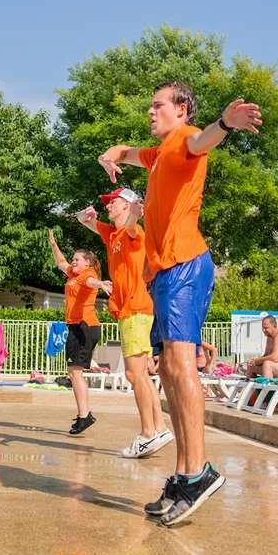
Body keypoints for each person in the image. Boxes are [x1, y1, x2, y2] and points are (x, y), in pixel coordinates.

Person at [98, 81, 262, 526]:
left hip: (188, 265)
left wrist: (227, 122)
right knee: (168, 368)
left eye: (158, 105)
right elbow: (127, 151)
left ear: (182, 108)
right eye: (149, 104)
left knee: (181, 364)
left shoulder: (185, 142)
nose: (150, 111)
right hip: (166, 272)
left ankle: (198, 471)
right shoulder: (155, 155)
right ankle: (183, 473)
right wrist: (112, 153)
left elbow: (205, 137)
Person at [76, 188, 173, 457]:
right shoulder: (112, 235)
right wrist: (85, 218)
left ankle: (147, 433)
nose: (108, 206)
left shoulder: (134, 232)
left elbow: (133, 225)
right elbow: (86, 222)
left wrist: (135, 214)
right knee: (140, 374)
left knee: (133, 374)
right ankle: (160, 427)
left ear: (127, 206)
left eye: (113, 203)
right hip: (133, 310)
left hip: (136, 309)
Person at [47, 230, 107, 435]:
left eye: (77, 259)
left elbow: (92, 283)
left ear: (87, 263)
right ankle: (84, 415)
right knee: (73, 372)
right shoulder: (74, 274)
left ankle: (85, 416)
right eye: (73, 259)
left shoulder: (88, 275)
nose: (73, 262)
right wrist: (54, 245)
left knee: (75, 372)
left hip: (85, 326)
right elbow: (61, 262)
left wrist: (101, 284)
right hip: (77, 326)